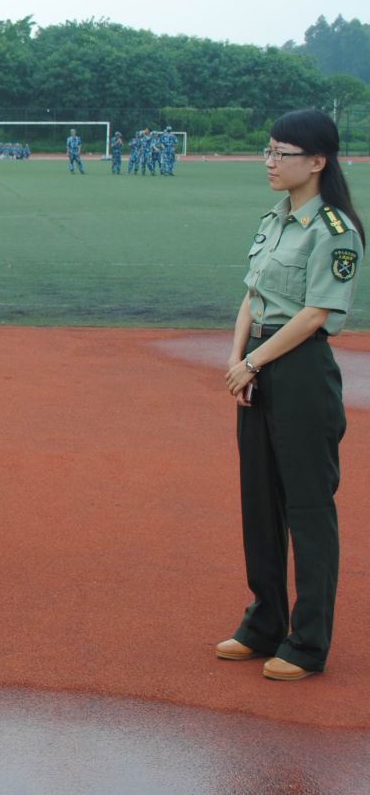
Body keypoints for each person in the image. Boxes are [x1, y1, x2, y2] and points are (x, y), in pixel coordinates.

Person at [218, 110, 360, 680]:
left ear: (318, 161)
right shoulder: (274, 220)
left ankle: (308, 641)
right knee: (259, 500)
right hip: (257, 361)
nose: (271, 162)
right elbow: (251, 295)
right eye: (269, 150)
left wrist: (253, 361)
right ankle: (264, 622)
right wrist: (238, 358)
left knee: (307, 505)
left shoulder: (334, 231)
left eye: (283, 153)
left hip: (299, 368)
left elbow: (316, 313)